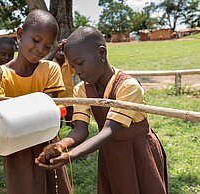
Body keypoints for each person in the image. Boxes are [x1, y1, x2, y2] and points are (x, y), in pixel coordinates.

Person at [36, 26, 168, 194]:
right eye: (73, 66)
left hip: (139, 151)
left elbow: (109, 130)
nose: (78, 72)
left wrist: (71, 156)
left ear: (101, 53)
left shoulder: (128, 87)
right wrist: (60, 146)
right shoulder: (82, 90)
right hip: (109, 151)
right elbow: (80, 129)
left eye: (80, 63)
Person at [0, 9, 72, 194]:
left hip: (46, 140)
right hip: (15, 145)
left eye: (47, 46)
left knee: (54, 186)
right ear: (20, 34)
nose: (40, 50)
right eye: (36, 40)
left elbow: (46, 112)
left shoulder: (50, 69)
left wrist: (9, 113)